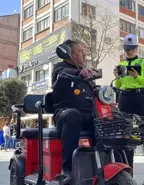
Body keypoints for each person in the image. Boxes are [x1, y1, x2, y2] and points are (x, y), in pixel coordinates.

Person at [52, 39, 98, 184]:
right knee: (73, 115)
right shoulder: (59, 68)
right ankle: (67, 170)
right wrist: (80, 73)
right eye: (79, 51)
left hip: (87, 116)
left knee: (107, 117)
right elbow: (64, 74)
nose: (84, 53)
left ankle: (102, 163)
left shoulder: (87, 74)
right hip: (64, 115)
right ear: (68, 54)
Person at [113, 33, 144, 185]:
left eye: (131, 49)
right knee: (126, 137)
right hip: (124, 99)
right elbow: (117, 86)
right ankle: (128, 174)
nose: (128, 52)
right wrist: (117, 76)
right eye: (126, 49)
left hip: (140, 99)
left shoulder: (143, 62)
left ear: (136, 48)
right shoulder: (122, 65)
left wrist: (137, 76)